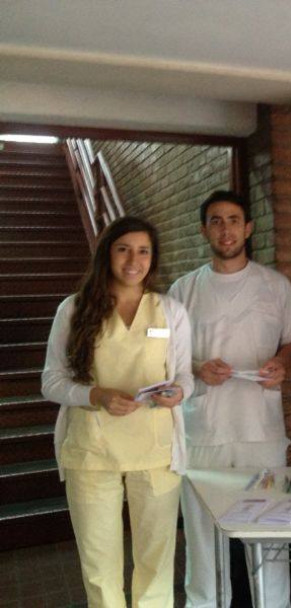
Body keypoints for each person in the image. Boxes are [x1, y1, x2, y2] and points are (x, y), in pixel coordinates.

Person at [41, 217, 192, 608]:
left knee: (156, 562)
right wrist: (95, 395)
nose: (133, 260)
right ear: (107, 253)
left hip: (156, 453)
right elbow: (51, 382)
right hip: (92, 452)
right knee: (99, 566)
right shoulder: (74, 310)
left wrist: (178, 392)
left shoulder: (170, 311)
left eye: (143, 251)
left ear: (153, 258)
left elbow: (184, 376)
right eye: (123, 249)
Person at [169, 190, 291, 608]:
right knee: (202, 537)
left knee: (270, 532)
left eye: (233, 220)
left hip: (260, 432)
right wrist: (197, 368)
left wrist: (282, 363)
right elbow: (167, 356)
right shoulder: (183, 290)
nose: (225, 229)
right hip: (203, 432)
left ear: (248, 228)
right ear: (204, 230)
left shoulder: (275, 285)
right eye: (215, 221)